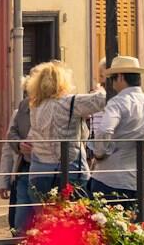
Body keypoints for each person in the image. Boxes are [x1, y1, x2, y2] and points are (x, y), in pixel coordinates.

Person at [83, 55, 144, 205]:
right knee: (128, 225)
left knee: (101, 226)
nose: (111, 82)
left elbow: (105, 130)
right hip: (135, 181)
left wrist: (100, 153)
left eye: (112, 78)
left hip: (108, 179)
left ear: (120, 77)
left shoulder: (118, 103)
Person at [23, 61, 115, 204]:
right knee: (73, 221)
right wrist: (99, 89)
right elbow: (104, 99)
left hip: (38, 174)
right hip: (70, 171)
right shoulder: (69, 102)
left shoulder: (36, 107)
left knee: (45, 223)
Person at [1, 84, 35, 235]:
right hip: (22, 170)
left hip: (46, 171)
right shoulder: (20, 112)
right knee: (18, 223)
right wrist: (4, 180)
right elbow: (8, 149)